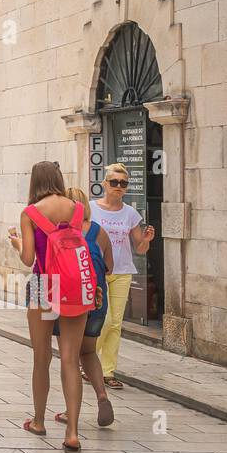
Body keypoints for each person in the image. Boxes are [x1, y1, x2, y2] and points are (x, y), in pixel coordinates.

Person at [8, 160, 93, 453]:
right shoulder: (77, 210)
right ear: (58, 178)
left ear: (34, 182)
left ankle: (39, 421)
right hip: (74, 285)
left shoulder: (30, 213)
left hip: (44, 286)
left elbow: (29, 257)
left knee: (41, 357)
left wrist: (18, 245)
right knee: (70, 359)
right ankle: (72, 433)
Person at [53, 187, 115, 429]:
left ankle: (72, 413)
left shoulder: (62, 233)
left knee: (68, 358)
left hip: (69, 303)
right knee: (88, 352)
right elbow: (109, 266)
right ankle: (102, 396)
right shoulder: (101, 233)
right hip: (97, 301)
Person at [92, 163, 155, 390]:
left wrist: (146, 240)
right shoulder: (91, 209)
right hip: (97, 271)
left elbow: (140, 248)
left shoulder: (130, 213)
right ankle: (87, 360)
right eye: (114, 182)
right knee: (104, 320)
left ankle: (108, 371)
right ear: (105, 184)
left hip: (122, 272)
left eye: (123, 183)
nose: (119, 187)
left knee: (116, 324)